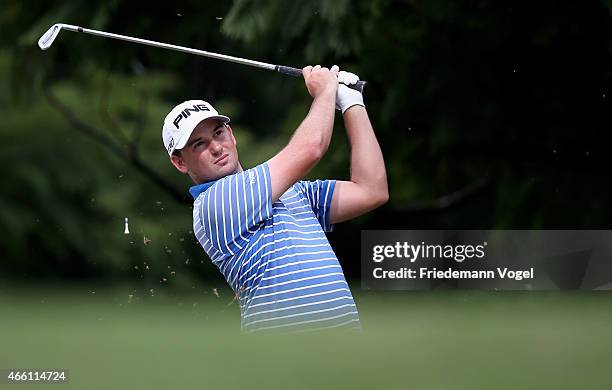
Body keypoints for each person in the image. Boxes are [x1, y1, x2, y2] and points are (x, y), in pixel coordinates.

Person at [161, 65, 388, 332]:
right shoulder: (214, 203)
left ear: (231, 135)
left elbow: (371, 190)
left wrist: (351, 103)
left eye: (218, 133)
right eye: (198, 144)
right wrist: (326, 90)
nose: (215, 147)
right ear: (179, 162)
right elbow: (311, 149)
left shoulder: (292, 191)